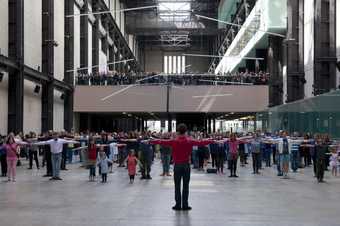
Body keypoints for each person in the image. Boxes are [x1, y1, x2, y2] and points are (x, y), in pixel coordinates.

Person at [150, 124, 213, 211]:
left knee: (177, 186)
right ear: (186, 131)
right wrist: (211, 140)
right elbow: (201, 143)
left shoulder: (174, 141)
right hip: (186, 165)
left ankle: (178, 205)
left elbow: (161, 141)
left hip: (177, 166)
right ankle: (185, 204)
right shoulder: (189, 140)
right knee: (186, 186)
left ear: (178, 132)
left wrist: (151, 141)